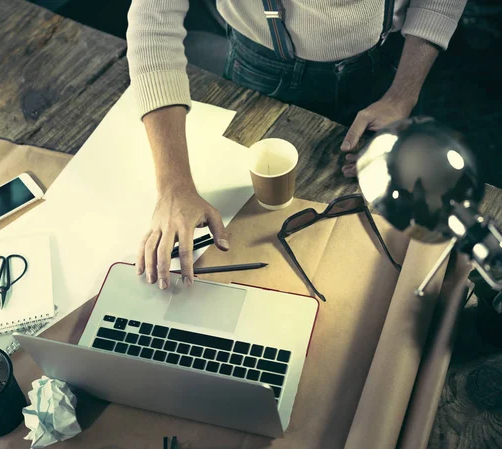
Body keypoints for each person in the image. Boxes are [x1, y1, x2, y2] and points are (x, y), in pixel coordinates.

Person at [126, 0, 467, 290]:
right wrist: (173, 185)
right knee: (256, 226)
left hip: (389, 67)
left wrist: (402, 96)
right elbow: (153, 23)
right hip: (262, 70)